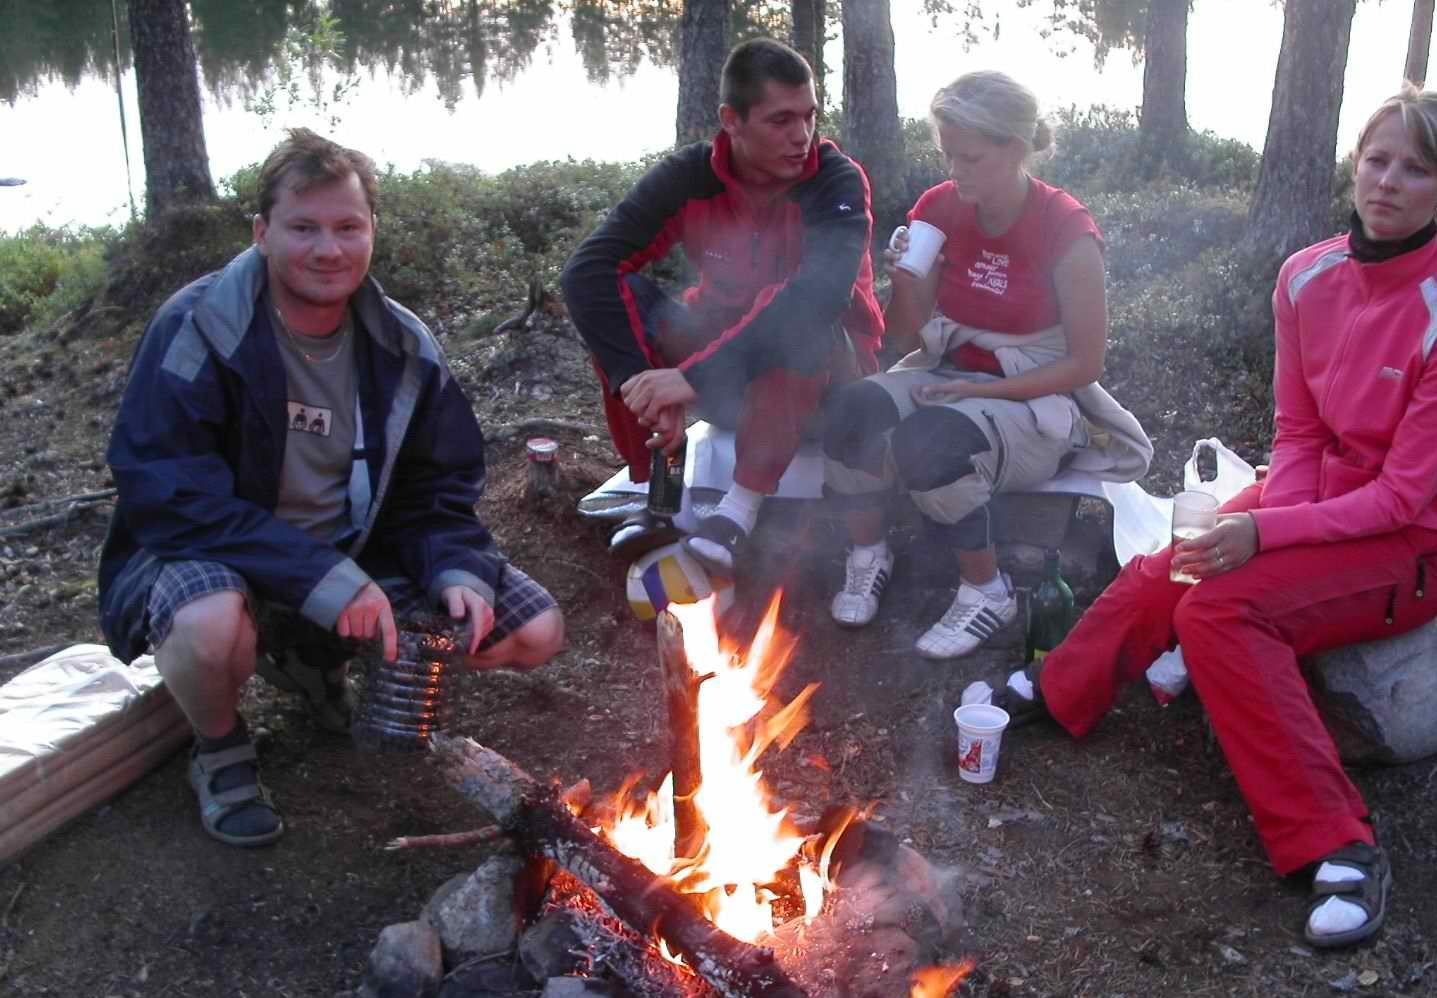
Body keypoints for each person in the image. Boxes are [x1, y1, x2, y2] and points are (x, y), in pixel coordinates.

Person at [1007, 85, 1437, 948]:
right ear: (1356, 165)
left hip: (1418, 542)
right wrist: (1268, 524)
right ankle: (1061, 691)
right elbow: (1299, 432)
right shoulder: (1307, 277)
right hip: (1322, 492)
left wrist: (1266, 536)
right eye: (1377, 160)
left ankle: (1339, 846)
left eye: (1416, 170)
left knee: (1221, 610)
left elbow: (1402, 498)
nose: (1388, 182)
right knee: (1181, 559)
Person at [98, 129, 565, 848]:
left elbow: (436, 485)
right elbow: (167, 493)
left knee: (535, 630)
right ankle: (220, 747)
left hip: (353, 557)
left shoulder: (401, 345)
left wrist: (456, 566)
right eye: (303, 228)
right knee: (210, 626)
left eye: (348, 227)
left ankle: (315, 664)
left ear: (372, 230)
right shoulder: (200, 327)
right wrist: (315, 575)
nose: (328, 249)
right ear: (262, 232)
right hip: (222, 557)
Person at [820, 71, 1151, 659]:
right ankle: (868, 553)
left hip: (1037, 394)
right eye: (948, 155)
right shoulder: (940, 208)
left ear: (1016, 148)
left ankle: (986, 590)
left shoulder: (1065, 228)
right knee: (850, 411)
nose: (956, 171)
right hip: (947, 373)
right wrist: (909, 279)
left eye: (970, 158)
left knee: (932, 442)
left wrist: (982, 394)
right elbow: (905, 336)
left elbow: (1084, 364)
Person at [560, 37, 884, 574]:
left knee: (800, 310)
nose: (802, 135)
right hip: (728, 371)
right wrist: (641, 382)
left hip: (829, 389)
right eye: (781, 120)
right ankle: (660, 491)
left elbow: (820, 298)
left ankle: (739, 509)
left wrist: (692, 378)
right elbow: (588, 271)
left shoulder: (835, 181)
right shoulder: (693, 176)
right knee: (628, 302)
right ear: (732, 120)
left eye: (809, 116)